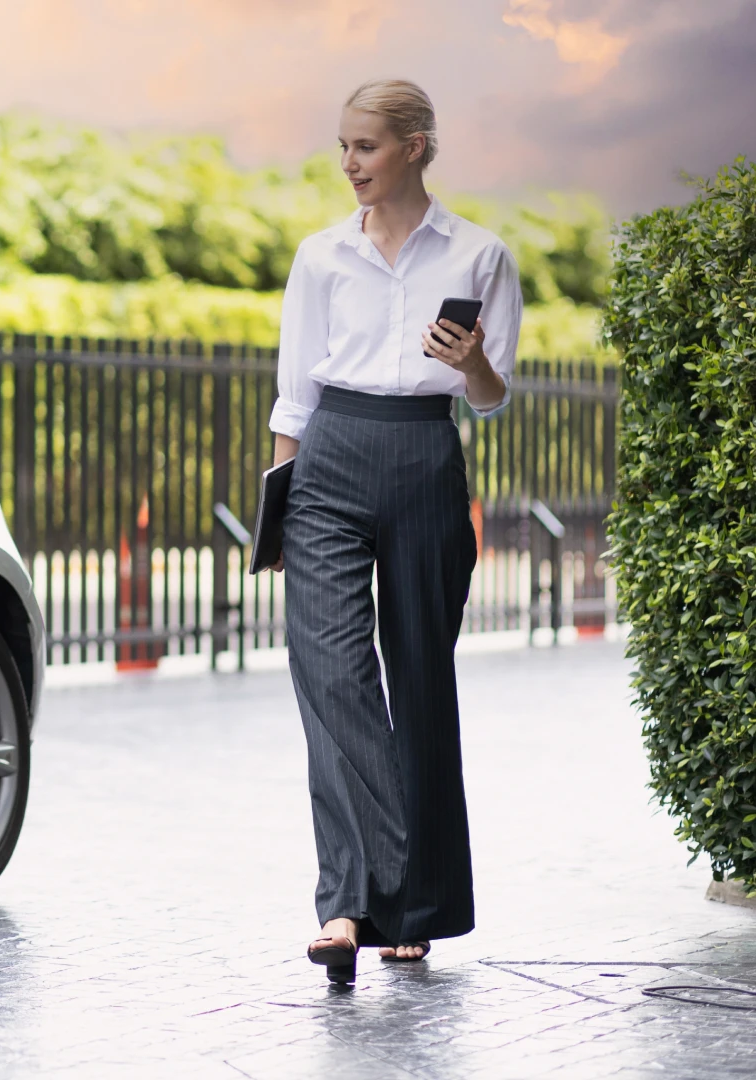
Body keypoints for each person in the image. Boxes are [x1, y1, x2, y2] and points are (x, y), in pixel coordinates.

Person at [268, 78, 521, 985]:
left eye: (365, 146)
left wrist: (474, 363)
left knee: (418, 682)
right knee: (331, 678)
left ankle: (414, 909)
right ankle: (346, 903)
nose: (349, 163)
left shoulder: (482, 255)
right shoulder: (320, 256)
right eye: (343, 146)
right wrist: (279, 506)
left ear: (415, 147)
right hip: (330, 461)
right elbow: (294, 394)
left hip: (424, 456)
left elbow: (489, 399)